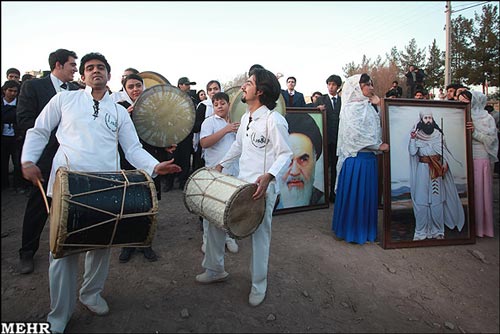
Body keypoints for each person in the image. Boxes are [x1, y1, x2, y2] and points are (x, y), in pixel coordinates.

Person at [21, 52, 181, 333]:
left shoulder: (119, 110)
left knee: (101, 246)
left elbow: (132, 149)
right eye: (90, 68)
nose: (96, 71)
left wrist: (155, 167)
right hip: (67, 187)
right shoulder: (64, 100)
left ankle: (90, 294)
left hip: (107, 185)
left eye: (101, 68)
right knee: (61, 252)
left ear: (109, 75)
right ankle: (59, 313)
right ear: (82, 76)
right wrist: (27, 160)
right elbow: (39, 130)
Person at [196, 68, 292, 308]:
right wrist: (220, 165)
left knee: (260, 238)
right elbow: (237, 147)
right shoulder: (247, 118)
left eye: (248, 83)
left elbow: (285, 154)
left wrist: (269, 176)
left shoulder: (274, 120)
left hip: (261, 190)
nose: (243, 86)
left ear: (259, 91)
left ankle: (259, 285)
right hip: (240, 185)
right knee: (215, 219)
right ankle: (215, 269)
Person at [16, 48, 80, 275]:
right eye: (72, 64)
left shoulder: (76, 91)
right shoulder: (33, 87)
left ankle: (67, 245)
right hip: (43, 159)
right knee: (38, 206)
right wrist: (32, 156)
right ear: (59, 65)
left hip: (69, 159)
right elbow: (24, 120)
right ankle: (27, 253)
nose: (75, 69)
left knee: (69, 203)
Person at [114, 73, 174, 263]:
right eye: (131, 86)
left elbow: (158, 130)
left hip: (150, 158)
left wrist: (166, 145)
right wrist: (127, 116)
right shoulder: (118, 108)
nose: (135, 89)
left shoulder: (152, 106)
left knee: (148, 202)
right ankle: (127, 244)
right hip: (126, 161)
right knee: (127, 202)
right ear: (125, 89)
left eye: (138, 85)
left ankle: (145, 242)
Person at [332, 73, 389, 244]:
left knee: (366, 197)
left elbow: (378, 127)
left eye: (371, 84)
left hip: (369, 160)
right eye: (367, 85)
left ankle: (365, 230)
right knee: (356, 197)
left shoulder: (369, 107)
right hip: (356, 161)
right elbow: (354, 137)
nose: (371, 88)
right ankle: (351, 232)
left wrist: (379, 105)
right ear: (358, 87)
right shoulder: (350, 109)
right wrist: (377, 146)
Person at [408, 109, 465, 240]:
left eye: (430, 118)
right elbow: (412, 152)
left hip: (437, 171)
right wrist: (412, 139)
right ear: (421, 120)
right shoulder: (416, 135)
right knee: (422, 202)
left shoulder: (439, 135)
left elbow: (444, 153)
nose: (428, 120)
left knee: (436, 202)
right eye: (426, 118)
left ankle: (438, 231)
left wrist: (445, 165)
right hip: (422, 170)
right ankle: (421, 231)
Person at [198, 91, 240, 254]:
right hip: (214, 170)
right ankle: (207, 240)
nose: (219, 106)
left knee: (231, 207)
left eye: (222, 103)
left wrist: (233, 128)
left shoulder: (238, 121)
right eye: (216, 104)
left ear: (229, 104)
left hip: (234, 171)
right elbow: (204, 143)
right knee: (211, 207)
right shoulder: (209, 122)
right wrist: (226, 130)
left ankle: (229, 237)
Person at [463, 91, 498, 237]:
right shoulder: (463, 115)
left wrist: (474, 133)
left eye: (465, 100)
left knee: (481, 193)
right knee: (470, 193)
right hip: (466, 157)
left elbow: (491, 140)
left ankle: (482, 228)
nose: (463, 103)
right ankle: (469, 227)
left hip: (480, 158)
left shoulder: (487, 118)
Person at [276, 112, 324, 209]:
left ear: (315, 160)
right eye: (287, 161)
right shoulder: (267, 204)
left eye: (303, 159)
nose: (294, 172)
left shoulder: (321, 200)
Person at [314, 74, 342, 202]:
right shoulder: (321, 100)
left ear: (338, 87)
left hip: (338, 140)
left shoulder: (343, 101)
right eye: (329, 84)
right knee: (324, 167)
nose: (331, 87)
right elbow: (306, 108)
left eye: (334, 84)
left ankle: (333, 193)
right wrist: (316, 108)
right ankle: (323, 195)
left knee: (336, 166)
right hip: (324, 140)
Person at [1, 80, 22, 191]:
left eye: (15, 91)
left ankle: (17, 185)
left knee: (17, 162)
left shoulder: (20, 104)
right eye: (10, 91)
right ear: (4, 91)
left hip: (15, 137)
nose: (13, 93)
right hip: (3, 137)